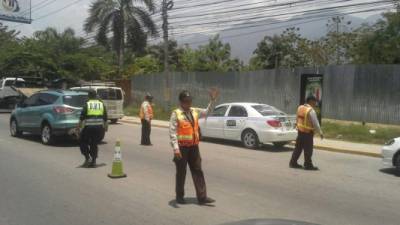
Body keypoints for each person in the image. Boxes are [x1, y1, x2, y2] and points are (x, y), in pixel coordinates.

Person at [169, 89, 219, 205]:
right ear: (181, 102)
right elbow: (172, 133)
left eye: (190, 101)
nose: (188, 103)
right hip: (181, 148)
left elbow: (207, 112)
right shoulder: (176, 114)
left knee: (198, 171)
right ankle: (179, 196)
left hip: (194, 147)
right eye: (186, 101)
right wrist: (176, 149)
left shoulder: (194, 111)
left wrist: (212, 100)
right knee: (181, 172)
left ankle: (202, 197)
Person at [290, 96, 323, 170]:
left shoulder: (300, 108)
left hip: (300, 132)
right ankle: (308, 165)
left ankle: (293, 162)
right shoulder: (311, 110)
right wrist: (320, 132)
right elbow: (316, 123)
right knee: (308, 150)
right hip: (308, 133)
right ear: (310, 101)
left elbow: (297, 118)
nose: (315, 103)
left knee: (298, 148)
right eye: (314, 101)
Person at [79, 89, 108, 168]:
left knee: (82, 141)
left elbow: (82, 118)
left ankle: (87, 157)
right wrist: (106, 127)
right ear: (96, 95)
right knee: (94, 144)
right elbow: (105, 118)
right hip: (99, 128)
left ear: (89, 96)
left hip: (89, 128)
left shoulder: (87, 104)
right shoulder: (101, 104)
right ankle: (94, 161)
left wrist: (78, 128)